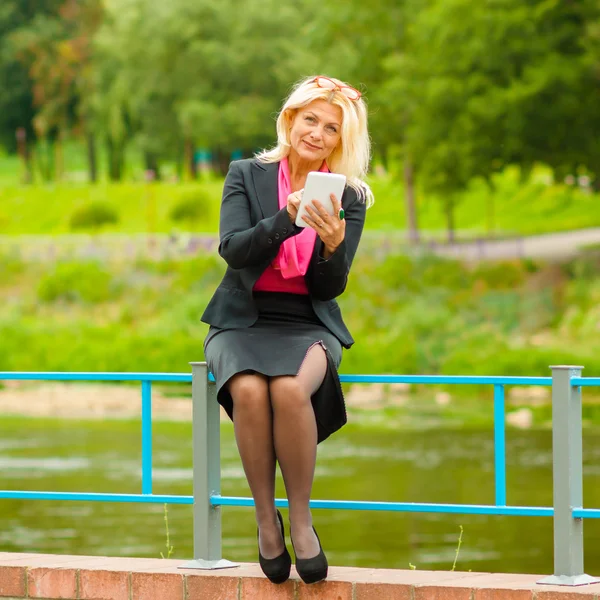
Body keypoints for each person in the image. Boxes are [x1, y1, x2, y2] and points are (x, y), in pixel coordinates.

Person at [201, 75, 373, 585]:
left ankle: (301, 520)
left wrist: (333, 244)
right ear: (290, 119)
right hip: (242, 321)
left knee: (291, 390)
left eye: (332, 128)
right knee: (251, 391)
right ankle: (264, 521)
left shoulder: (351, 197)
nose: (317, 133)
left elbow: (329, 287)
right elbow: (232, 249)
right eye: (310, 119)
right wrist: (285, 219)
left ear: (343, 140)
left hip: (307, 323)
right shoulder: (245, 174)